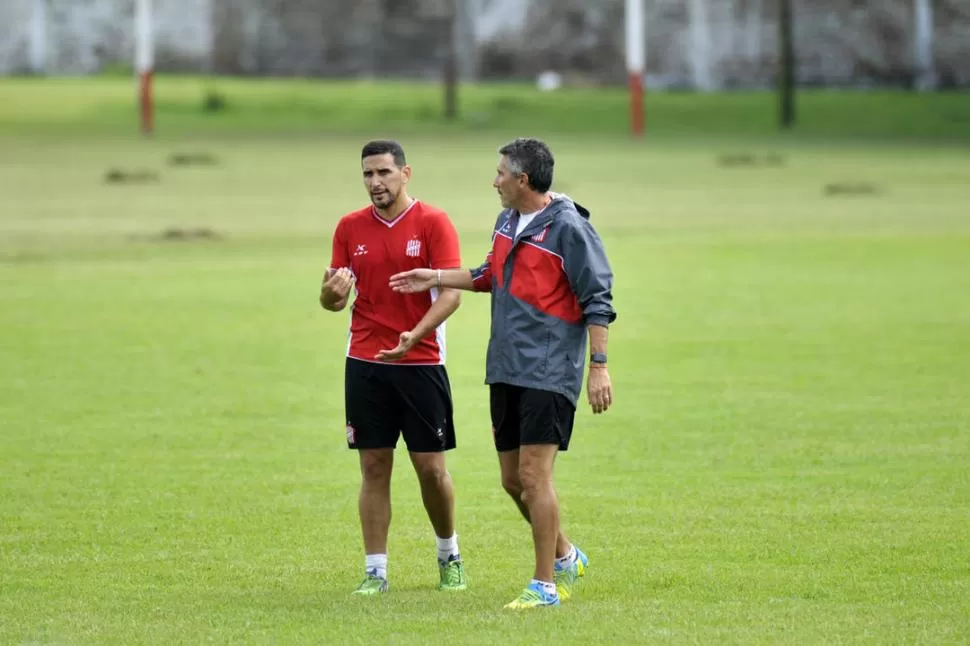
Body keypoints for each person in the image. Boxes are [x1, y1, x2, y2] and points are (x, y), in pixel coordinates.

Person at [389, 137, 616, 609]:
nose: (494, 181)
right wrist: (432, 277)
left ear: (522, 179)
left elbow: (598, 298)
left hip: (550, 368)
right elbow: (490, 275)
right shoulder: (507, 222)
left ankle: (545, 586)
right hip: (507, 366)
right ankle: (567, 555)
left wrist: (599, 367)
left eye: (499, 173)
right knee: (513, 481)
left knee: (535, 477)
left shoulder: (569, 229)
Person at [319, 139, 468, 595]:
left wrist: (416, 335)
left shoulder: (434, 222)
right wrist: (331, 295)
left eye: (383, 172)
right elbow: (331, 298)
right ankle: (375, 571)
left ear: (406, 174)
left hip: (420, 361)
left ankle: (449, 555)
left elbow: (452, 292)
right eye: (367, 174)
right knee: (374, 467)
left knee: (431, 469)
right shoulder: (349, 227)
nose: (375, 182)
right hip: (364, 363)